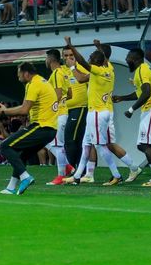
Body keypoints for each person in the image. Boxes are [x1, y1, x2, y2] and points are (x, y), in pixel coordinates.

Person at [62, 38, 141, 186]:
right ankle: (79, 175)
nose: (89, 59)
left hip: (97, 113)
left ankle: (116, 175)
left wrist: (72, 60)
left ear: (95, 62)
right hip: (102, 111)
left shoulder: (97, 71)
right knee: (87, 144)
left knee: (100, 145)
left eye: (91, 58)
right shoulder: (109, 68)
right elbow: (103, 59)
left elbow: (81, 71)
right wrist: (99, 47)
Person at [0, 62, 58, 196]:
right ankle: (11, 187)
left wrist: (3, 112)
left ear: (26, 74)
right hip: (50, 129)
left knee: (5, 146)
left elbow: (24, 110)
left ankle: (26, 177)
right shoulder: (41, 81)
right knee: (21, 156)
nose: (18, 78)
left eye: (19, 75)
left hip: (41, 126)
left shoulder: (34, 84)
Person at [112, 48, 151, 187]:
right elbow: (140, 93)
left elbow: (147, 92)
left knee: (146, 145)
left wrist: (131, 110)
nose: (127, 60)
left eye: (128, 57)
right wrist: (122, 98)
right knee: (142, 145)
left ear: (135, 58)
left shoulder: (142, 70)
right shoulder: (141, 70)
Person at [62, 45, 96, 183]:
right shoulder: (62, 70)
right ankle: (80, 171)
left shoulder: (80, 68)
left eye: (71, 55)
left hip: (81, 108)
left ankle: (77, 170)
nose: (68, 58)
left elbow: (89, 84)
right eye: (65, 56)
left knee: (72, 140)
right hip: (67, 110)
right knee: (75, 141)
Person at [44, 49, 73, 186]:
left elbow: (58, 94)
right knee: (50, 142)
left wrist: (47, 108)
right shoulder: (64, 72)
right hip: (63, 112)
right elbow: (70, 94)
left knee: (57, 144)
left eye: (46, 59)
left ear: (50, 59)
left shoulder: (56, 73)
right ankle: (67, 166)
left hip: (58, 114)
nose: (46, 61)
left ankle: (61, 176)